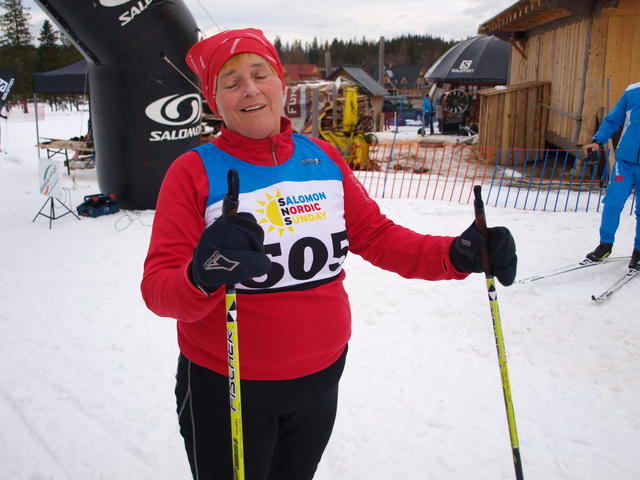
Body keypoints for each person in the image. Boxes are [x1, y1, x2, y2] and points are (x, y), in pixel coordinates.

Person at [141, 28, 517, 480]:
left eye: (260, 74)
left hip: (319, 382)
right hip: (228, 387)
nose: (250, 90)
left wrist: (456, 255)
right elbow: (158, 288)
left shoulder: (321, 156)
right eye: (231, 82)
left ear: (281, 83)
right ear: (213, 100)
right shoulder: (192, 171)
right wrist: (202, 274)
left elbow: (376, 235)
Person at [582, 81, 640, 270]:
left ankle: (638, 253)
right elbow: (613, 119)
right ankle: (605, 245)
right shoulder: (633, 91)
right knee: (612, 204)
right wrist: (598, 141)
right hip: (625, 162)